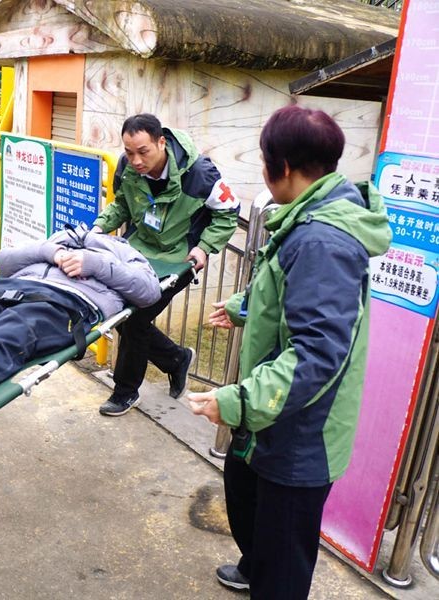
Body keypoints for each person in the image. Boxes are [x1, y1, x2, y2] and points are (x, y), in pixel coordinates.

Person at [188, 105, 391, 599]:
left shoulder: (322, 238)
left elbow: (317, 354)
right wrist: (244, 307)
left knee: (284, 562)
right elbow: (292, 296)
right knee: (244, 495)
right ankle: (258, 565)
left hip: (301, 432)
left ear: (279, 167)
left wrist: (236, 402)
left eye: (264, 160)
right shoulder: (311, 216)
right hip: (274, 419)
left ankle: (270, 577)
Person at [91, 113, 240, 416]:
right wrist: (98, 227)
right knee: (127, 317)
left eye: (143, 152)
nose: (135, 160)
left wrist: (204, 248)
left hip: (179, 259)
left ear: (161, 142)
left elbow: (228, 212)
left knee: (134, 318)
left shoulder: (200, 173)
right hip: (139, 252)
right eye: (129, 152)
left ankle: (125, 391)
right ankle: (176, 359)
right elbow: (121, 203)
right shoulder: (127, 166)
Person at [0, 226, 162, 397]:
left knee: (12, 330)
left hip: (67, 301)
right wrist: (49, 252)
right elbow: (4, 261)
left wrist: (95, 263)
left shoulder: (123, 252)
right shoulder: (62, 237)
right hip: (10, 288)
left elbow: (149, 291)